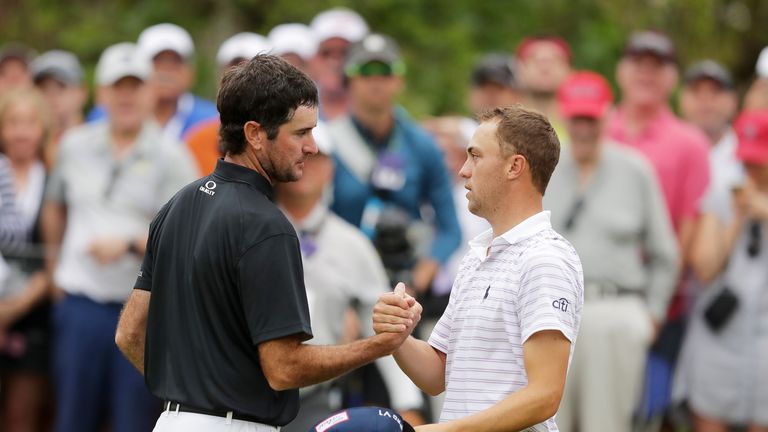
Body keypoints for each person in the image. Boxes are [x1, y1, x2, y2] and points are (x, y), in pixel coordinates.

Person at [115, 54, 415, 432]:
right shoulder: (267, 226)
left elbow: (128, 334)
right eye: (300, 133)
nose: (311, 147)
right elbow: (283, 368)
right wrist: (379, 345)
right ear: (255, 134)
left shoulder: (175, 206)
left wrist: (191, 393)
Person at [373, 105, 584, 431]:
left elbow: (545, 395)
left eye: (475, 156)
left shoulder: (545, 259)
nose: (463, 170)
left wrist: (446, 431)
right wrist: (398, 336)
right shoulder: (477, 258)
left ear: (515, 166)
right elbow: (438, 375)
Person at [41, 42, 198, 432]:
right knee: (72, 418)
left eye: (135, 86)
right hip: (79, 305)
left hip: (143, 311)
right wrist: (53, 269)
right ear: (102, 94)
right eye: (118, 87)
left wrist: (129, 243)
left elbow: (186, 236)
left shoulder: (172, 155)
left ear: (150, 92)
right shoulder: (74, 145)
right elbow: (54, 205)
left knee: (132, 421)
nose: (126, 97)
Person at [544, 71, 680, 432]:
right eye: (577, 119)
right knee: (545, 420)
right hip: (551, 314)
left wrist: (650, 316)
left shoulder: (635, 170)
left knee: (609, 424)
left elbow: (665, 253)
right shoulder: (547, 166)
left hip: (615, 309)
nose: (584, 128)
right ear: (564, 116)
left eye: (591, 119)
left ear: (607, 116)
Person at [275, 125, 424, 431]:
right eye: (303, 153)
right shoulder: (250, 228)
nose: (309, 164)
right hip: (244, 397)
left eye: (320, 158)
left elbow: (385, 327)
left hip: (314, 399)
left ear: (331, 169)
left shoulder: (352, 244)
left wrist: (407, 404)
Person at [608, 31, 711, 425]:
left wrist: (657, 303)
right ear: (622, 70)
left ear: (673, 77)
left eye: (658, 66)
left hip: (660, 308)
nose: (647, 74)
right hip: (593, 302)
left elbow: (688, 228)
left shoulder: (690, 143)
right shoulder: (597, 129)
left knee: (647, 412)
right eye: (639, 63)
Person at [328, 33, 461, 295]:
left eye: (386, 72)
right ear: (348, 81)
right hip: (341, 278)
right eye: (366, 72)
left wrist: (420, 278)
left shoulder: (422, 145)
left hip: (402, 281)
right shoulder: (327, 143)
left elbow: (449, 229)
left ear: (399, 80)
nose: (376, 82)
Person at [673, 110, 768, 432]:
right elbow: (704, 268)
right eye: (747, 159)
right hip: (720, 339)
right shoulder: (722, 193)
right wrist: (737, 220)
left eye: (760, 161)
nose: (751, 168)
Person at [0, 88, 54, 432]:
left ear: (42, 128)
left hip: (34, 312)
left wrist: (14, 308)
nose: (21, 132)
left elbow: (57, 253)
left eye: (29, 123)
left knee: (22, 415)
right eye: (12, 123)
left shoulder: (53, 180)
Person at [87, 23, 218, 141]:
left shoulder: (211, 118)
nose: (166, 71)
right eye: (157, 62)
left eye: (175, 62)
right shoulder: (106, 115)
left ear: (190, 73)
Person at [185, 32, 272, 176]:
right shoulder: (196, 141)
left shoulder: (283, 140)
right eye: (234, 70)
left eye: (253, 71)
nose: (243, 81)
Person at [680, 60, 744, 222]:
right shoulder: (665, 152)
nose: (705, 100)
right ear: (681, 100)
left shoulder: (751, 155)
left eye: (716, 91)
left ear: (734, 101)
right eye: (696, 91)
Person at [309, 7, 369, 120]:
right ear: (312, 58)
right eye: (326, 53)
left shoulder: (383, 114)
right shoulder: (290, 109)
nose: (334, 63)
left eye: (344, 53)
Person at [30, 50, 87, 166]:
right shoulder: (24, 150)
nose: (51, 96)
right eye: (43, 88)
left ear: (82, 92)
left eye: (60, 87)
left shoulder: (103, 144)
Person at [515, 36, 571, 138]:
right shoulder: (500, 124)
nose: (545, 67)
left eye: (554, 60)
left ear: (568, 69)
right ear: (519, 69)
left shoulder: (591, 125)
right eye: (535, 60)